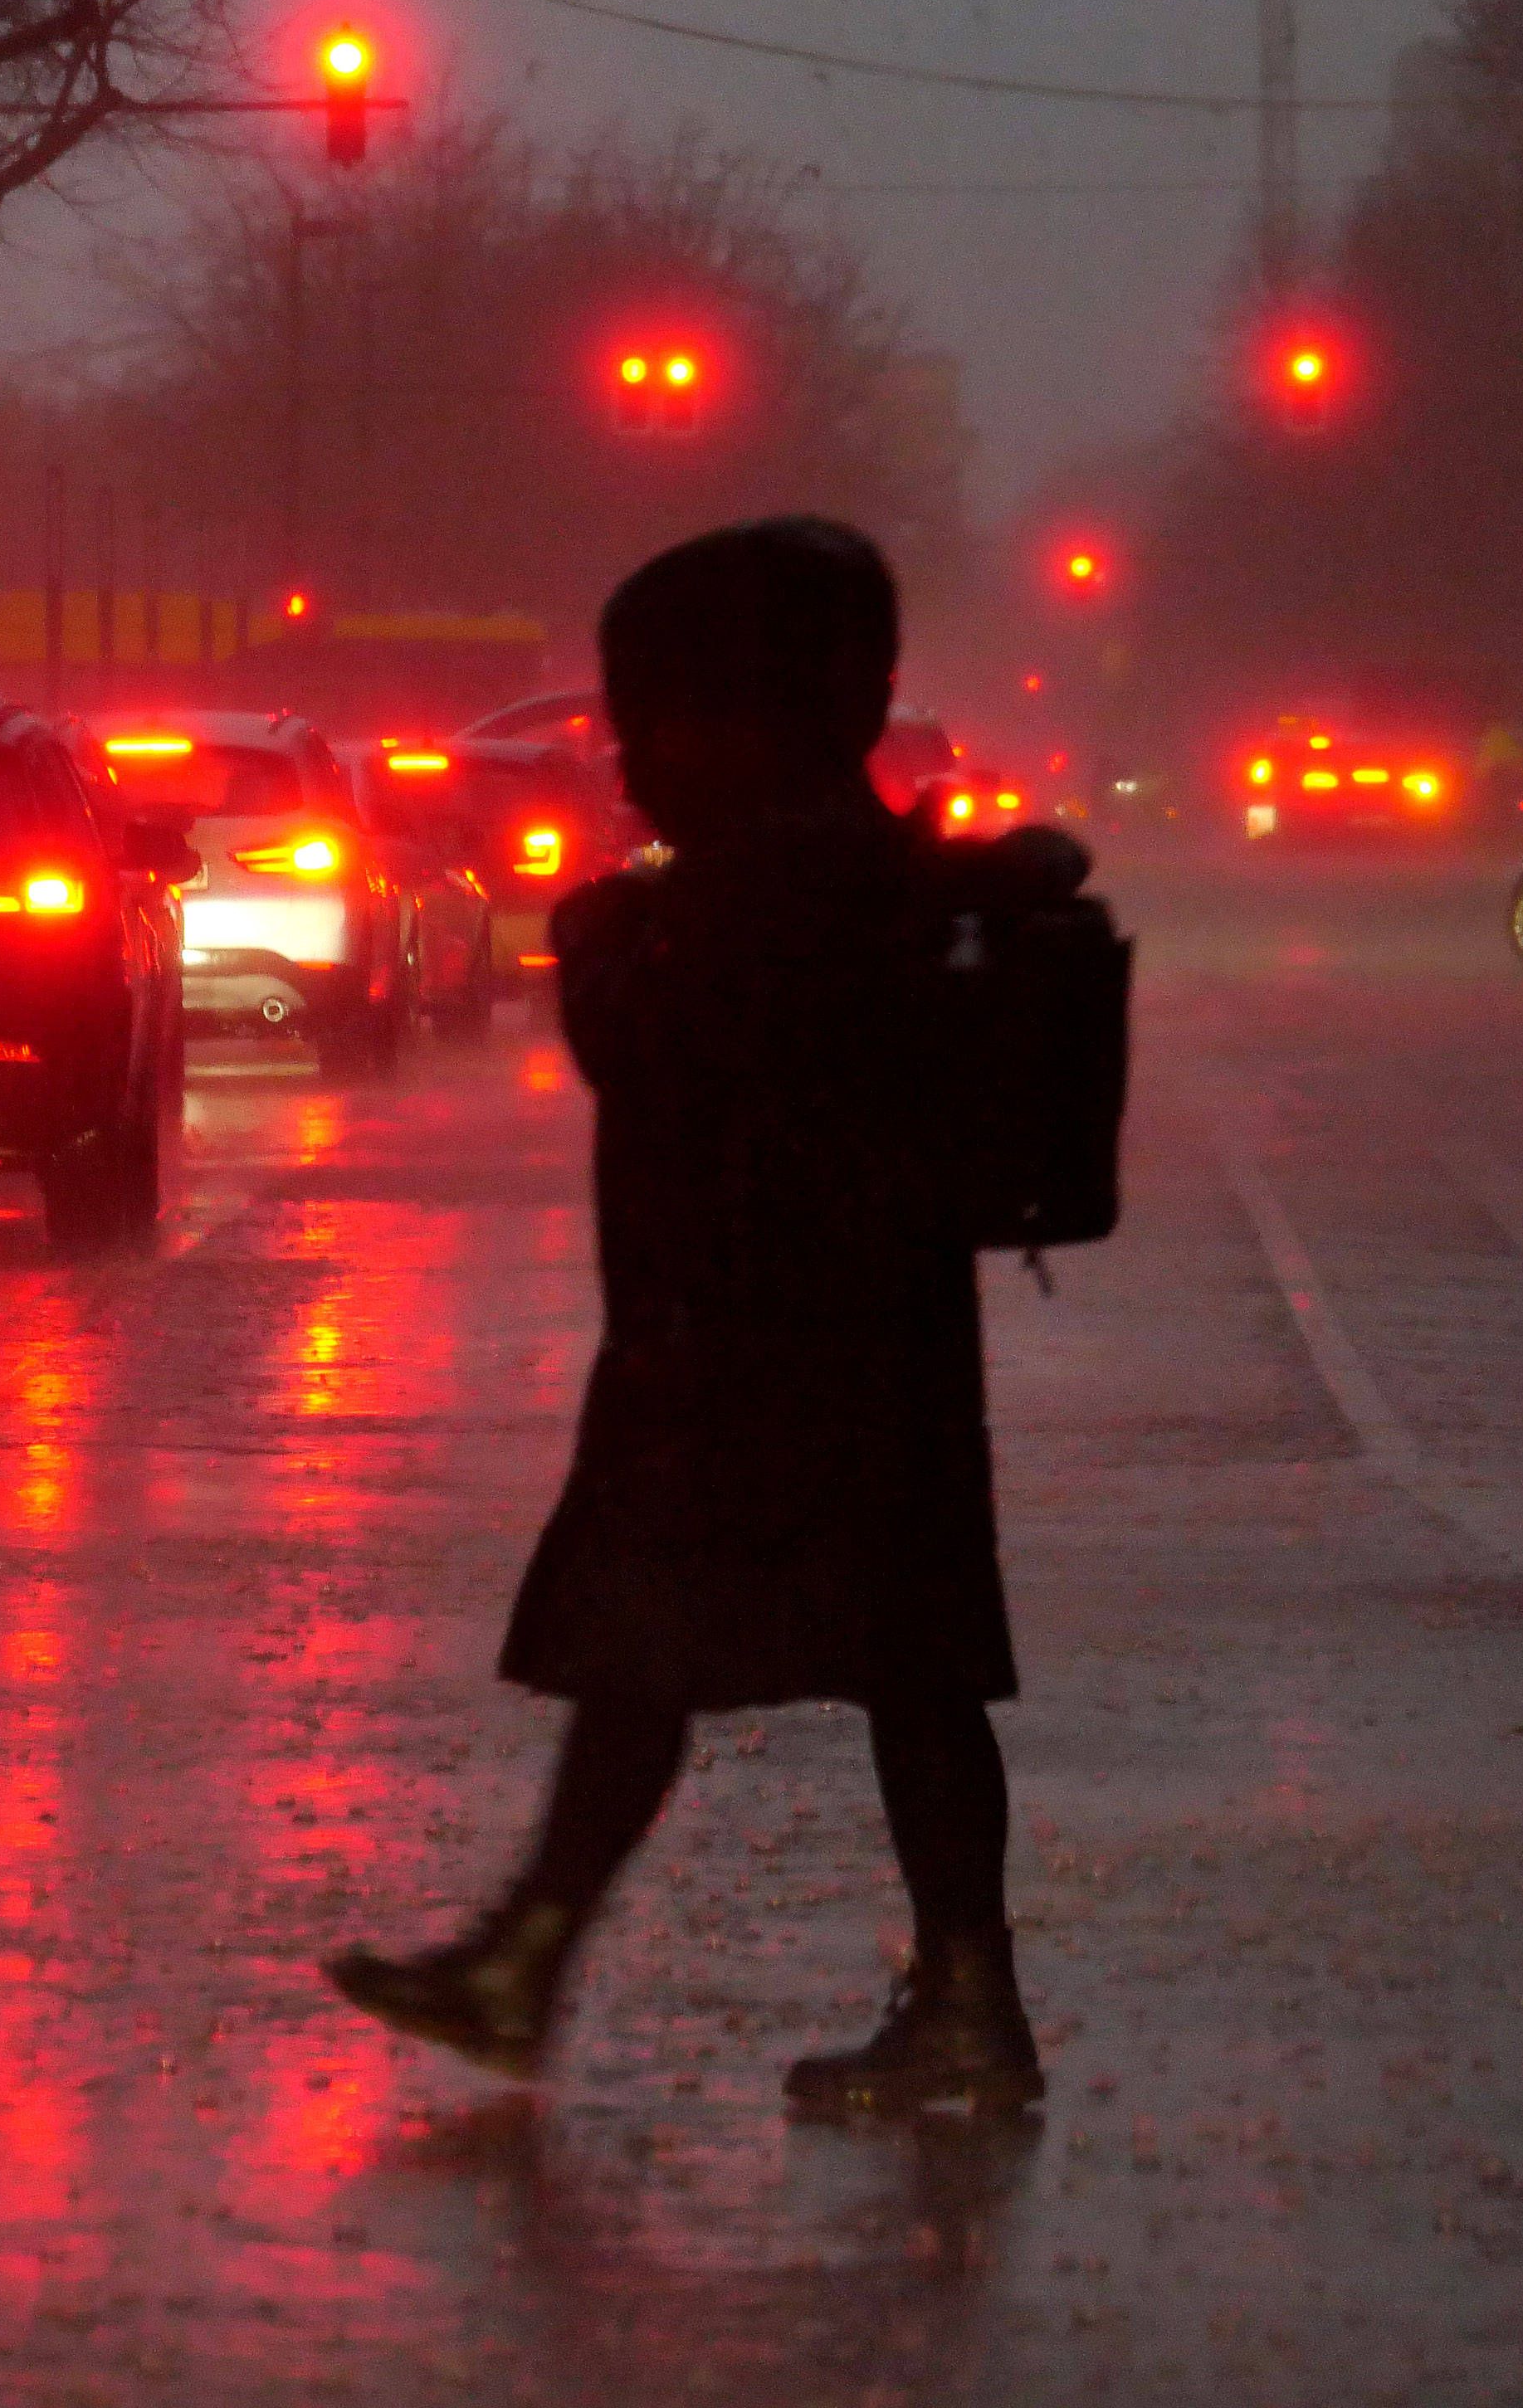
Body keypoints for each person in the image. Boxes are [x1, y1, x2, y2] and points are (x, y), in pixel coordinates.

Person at [325, 515, 1072, 2116]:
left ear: (736, 718)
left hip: (726, 1339)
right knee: (896, 1666)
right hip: (881, 1343)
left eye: (651, 720)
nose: (627, 759)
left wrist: (594, 936)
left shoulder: (753, 889)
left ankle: (543, 1961)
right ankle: (955, 1992)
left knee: (647, 1642)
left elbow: (655, 1049)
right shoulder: (884, 872)